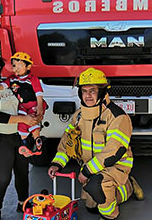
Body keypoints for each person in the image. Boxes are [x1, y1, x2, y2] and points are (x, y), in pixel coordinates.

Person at [47, 68, 144, 220]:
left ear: (103, 92)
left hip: (114, 166)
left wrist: (86, 171)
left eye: (93, 91)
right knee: (92, 207)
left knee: (98, 188)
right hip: (92, 170)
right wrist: (57, 164)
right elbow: (67, 143)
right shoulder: (79, 116)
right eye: (84, 91)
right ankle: (127, 186)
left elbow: (113, 152)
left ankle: (110, 216)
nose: (88, 95)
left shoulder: (117, 117)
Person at [0, 53, 42, 220]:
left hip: (19, 136)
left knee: (22, 172)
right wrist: (23, 119)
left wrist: (35, 112)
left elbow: (28, 97)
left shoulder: (11, 82)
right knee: (4, 177)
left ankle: (22, 202)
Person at [0, 51, 47, 157]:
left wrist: (40, 105)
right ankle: (26, 145)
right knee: (21, 123)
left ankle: (37, 143)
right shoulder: (12, 79)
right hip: (22, 106)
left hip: (33, 105)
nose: (16, 68)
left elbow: (38, 92)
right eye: (14, 65)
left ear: (28, 66)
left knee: (33, 121)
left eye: (20, 65)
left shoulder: (32, 79)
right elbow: (5, 84)